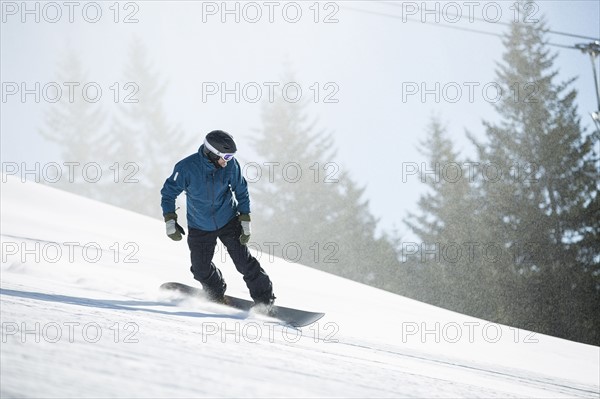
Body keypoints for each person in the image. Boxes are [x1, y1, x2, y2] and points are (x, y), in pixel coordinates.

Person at [160, 130, 275, 307]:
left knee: (244, 263)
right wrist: (170, 221)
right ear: (213, 153)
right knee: (200, 269)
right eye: (226, 157)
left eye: (231, 157)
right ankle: (216, 293)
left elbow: (241, 191)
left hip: (227, 220)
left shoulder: (230, 166)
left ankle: (265, 302)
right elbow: (168, 194)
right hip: (199, 225)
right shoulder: (186, 168)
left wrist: (245, 220)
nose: (228, 161)